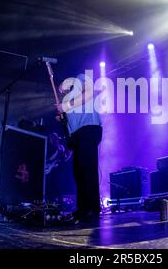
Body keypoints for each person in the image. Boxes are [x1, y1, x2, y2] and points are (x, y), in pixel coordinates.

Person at [55, 73, 102, 223]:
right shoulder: (68, 99)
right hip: (77, 134)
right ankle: (83, 208)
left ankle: (92, 208)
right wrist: (62, 117)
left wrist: (65, 106)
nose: (61, 90)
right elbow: (69, 119)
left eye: (62, 87)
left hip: (88, 128)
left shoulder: (80, 79)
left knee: (87, 169)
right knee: (79, 171)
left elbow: (88, 94)